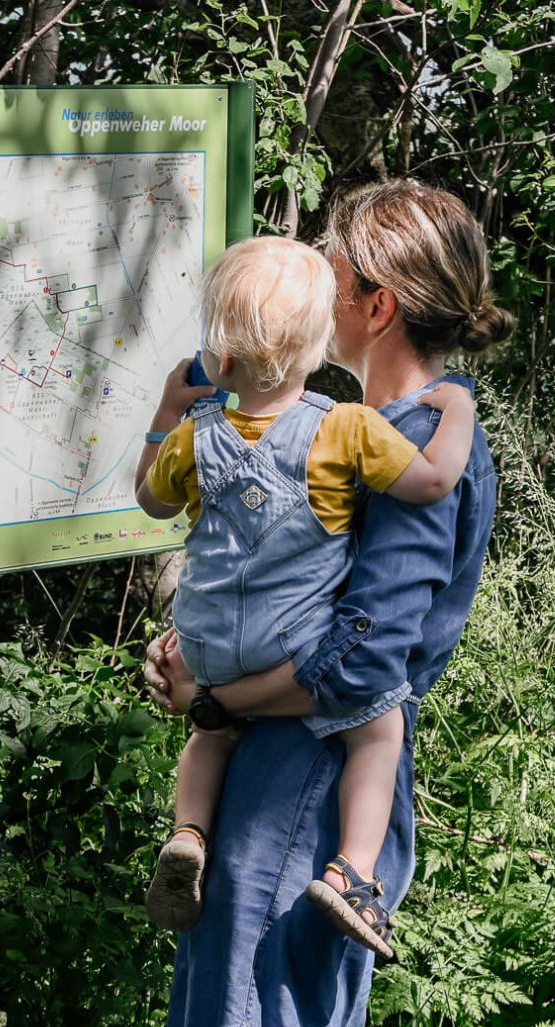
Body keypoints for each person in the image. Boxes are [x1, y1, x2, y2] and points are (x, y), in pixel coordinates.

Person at [144, 179, 512, 1027]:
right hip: (296, 775)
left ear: (377, 304)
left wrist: (215, 699)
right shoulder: (367, 433)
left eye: (331, 266)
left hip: (301, 792)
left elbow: (363, 662)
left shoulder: (396, 442)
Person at [132, 234, 476, 962]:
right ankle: (354, 871)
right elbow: (435, 480)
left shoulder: (193, 439)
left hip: (207, 644)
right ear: (319, 347)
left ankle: (187, 831)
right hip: (291, 645)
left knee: (208, 734)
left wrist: (166, 410)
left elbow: (149, 499)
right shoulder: (345, 428)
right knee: (378, 732)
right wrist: (460, 409)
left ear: (221, 358)